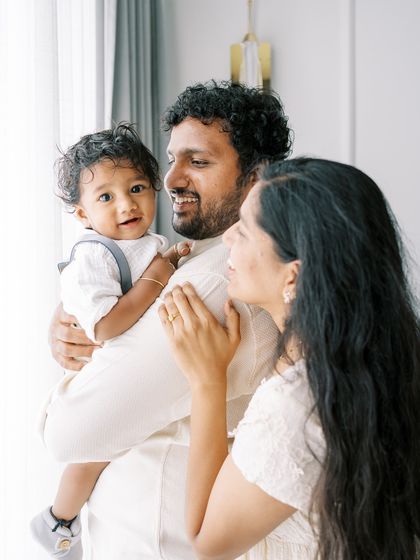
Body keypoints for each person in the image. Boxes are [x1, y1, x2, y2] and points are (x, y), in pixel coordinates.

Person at [42, 81, 292, 558]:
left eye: (198, 162)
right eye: (172, 158)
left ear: (255, 177)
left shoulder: (215, 286)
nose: (171, 178)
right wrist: (73, 319)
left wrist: (74, 379)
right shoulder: (187, 259)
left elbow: (68, 434)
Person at [159, 158, 420, 559]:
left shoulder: (296, 405)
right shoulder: (381, 352)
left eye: (244, 231)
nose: (227, 237)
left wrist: (206, 381)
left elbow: (206, 543)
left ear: (293, 276)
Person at [31, 123, 189, 558]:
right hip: (100, 371)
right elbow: (104, 326)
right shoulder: (95, 255)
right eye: (106, 197)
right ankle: (57, 520)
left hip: (128, 371)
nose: (126, 204)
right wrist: (161, 273)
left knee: (113, 452)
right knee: (90, 456)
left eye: (137, 187)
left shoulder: (148, 242)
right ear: (82, 215)